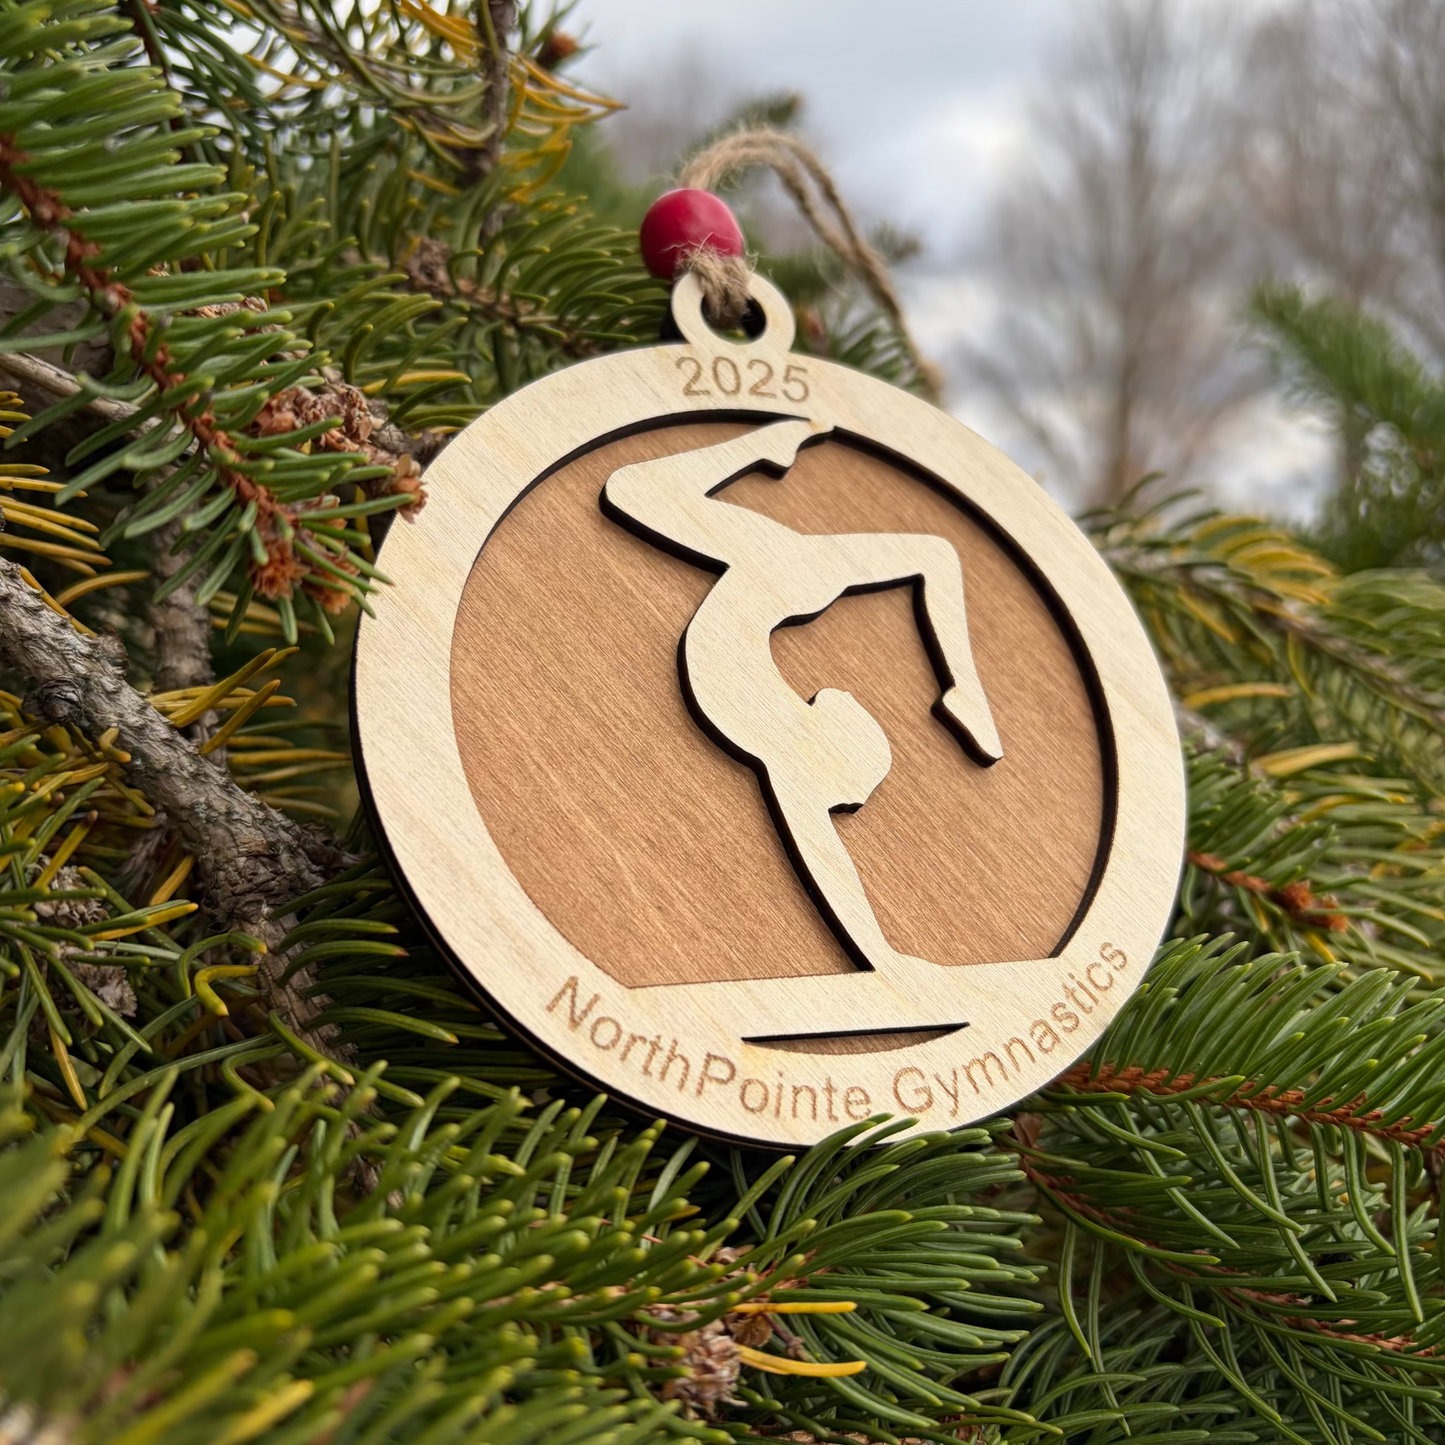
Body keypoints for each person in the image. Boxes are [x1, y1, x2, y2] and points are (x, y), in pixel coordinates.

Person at [602, 419, 1002, 976]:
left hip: (771, 575)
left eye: (860, 720)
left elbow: (826, 861)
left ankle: (761, 445)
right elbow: (826, 857)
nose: (849, 695)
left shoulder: (786, 755)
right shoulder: (784, 748)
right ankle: (966, 691)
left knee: (931, 555)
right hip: (773, 578)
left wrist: (881, 957)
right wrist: (882, 958)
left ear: (833, 731)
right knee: (932, 555)